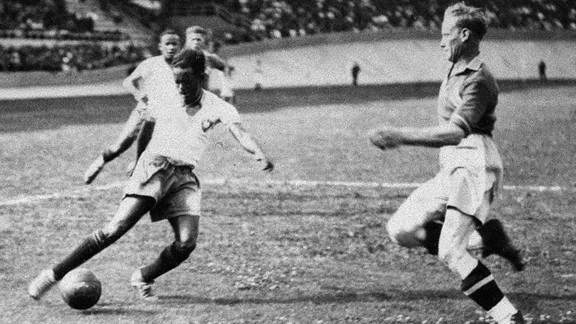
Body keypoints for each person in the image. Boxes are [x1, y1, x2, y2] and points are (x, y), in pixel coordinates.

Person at [28, 48, 274, 302]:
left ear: (202, 76)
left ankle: (144, 276)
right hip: (154, 167)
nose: (179, 87)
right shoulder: (165, 97)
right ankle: (52, 275)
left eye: (186, 81)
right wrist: (138, 163)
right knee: (115, 229)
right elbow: (146, 129)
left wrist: (259, 154)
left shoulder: (217, 106)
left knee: (186, 243)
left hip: (184, 177)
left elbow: (240, 132)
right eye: (176, 81)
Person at [369, 3, 524, 323]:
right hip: (454, 163)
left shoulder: (480, 79)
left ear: (464, 35)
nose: (441, 42)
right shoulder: (455, 68)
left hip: (473, 161)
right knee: (401, 229)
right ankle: (485, 240)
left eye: (445, 34)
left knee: (452, 251)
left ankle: (509, 317)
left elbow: (456, 132)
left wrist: (400, 135)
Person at [83, 29, 182, 184]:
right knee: (121, 146)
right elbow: (128, 82)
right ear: (160, 46)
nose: (171, 47)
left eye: (174, 44)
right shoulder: (151, 64)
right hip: (144, 112)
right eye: (167, 44)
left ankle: (140, 171)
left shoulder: (182, 68)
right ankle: (99, 163)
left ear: (179, 46)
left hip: (165, 118)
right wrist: (138, 94)